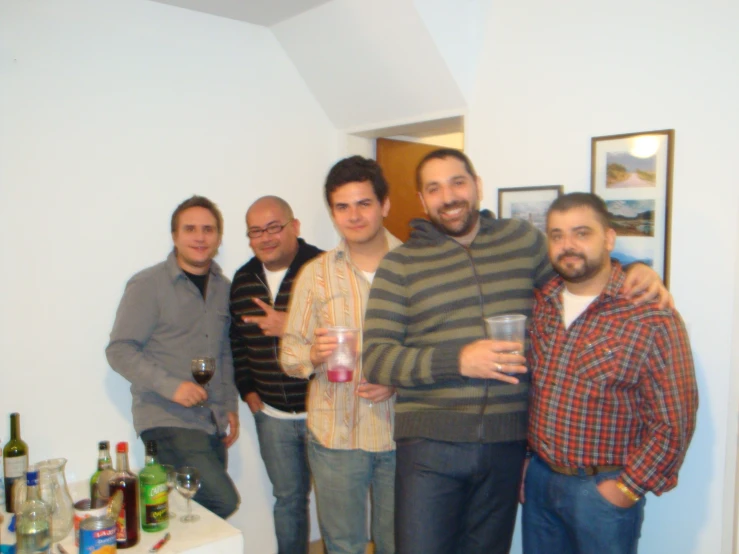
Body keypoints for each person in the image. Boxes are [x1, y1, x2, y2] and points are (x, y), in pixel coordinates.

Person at [362, 148, 669, 554]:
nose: (448, 196)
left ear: (477, 185)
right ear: (422, 200)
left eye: (457, 182)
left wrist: (632, 268)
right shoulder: (399, 264)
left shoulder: (522, 241)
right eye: (434, 189)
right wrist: (457, 360)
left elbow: (576, 267)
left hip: (506, 448)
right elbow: (377, 358)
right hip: (429, 449)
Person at [521, 192, 698, 554]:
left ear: (609, 238)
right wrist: (526, 464)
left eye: (581, 233)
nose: (567, 245)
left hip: (602, 491)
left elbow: (674, 422)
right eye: (557, 235)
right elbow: (533, 391)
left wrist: (628, 487)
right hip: (539, 481)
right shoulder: (542, 303)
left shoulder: (651, 316)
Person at [281, 156, 399, 554]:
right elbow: (290, 354)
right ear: (333, 213)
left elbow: (436, 348)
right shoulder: (315, 274)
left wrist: (398, 379)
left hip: (402, 433)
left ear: (384, 205)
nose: (354, 215)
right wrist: (313, 353)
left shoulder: (415, 266)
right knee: (344, 545)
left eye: (364, 203)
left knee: (399, 543)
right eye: (342, 207)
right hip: (335, 434)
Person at [106, 195, 240, 519]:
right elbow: (119, 349)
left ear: (218, 238)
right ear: (175, 236)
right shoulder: (148, 284)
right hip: (165, 419)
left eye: (208, 229)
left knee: (195, 515)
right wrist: (173, 387)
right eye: (190, 229)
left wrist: (229, 406)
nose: (199, 237)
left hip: (209, 421)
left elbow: (223, 352)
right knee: (221, 501)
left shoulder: (224, 287)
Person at [230, 196, 322, 554]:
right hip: (272, 417)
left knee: (334, 503)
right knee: (288, 501)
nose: (265, 238)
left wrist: (290, 326)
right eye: (256, 231)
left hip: (325, 412)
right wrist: (247, 390)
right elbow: (236, 342)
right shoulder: (243, 279)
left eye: (274, 227)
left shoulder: (323, 267)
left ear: (294, 227)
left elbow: (349, 333)